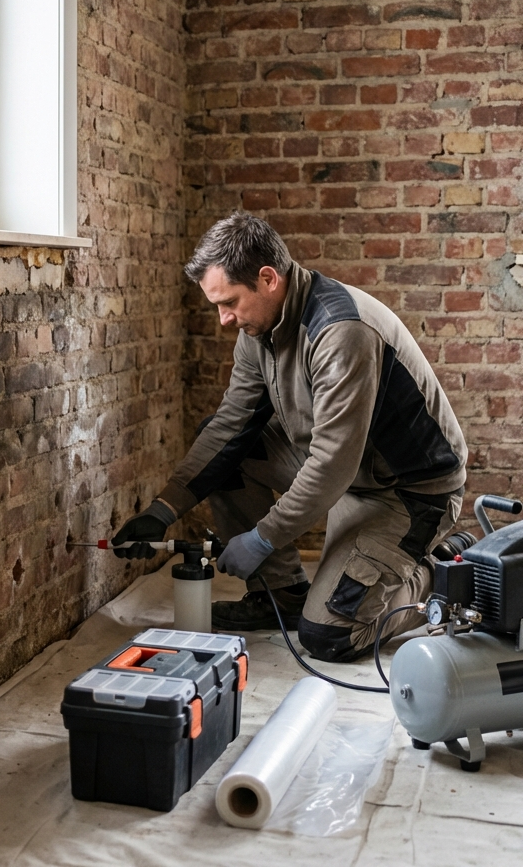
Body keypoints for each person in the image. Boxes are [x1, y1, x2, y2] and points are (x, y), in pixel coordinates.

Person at [113, 213, 469, 662]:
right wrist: (163, 510)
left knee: (329, 635)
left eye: (230, 302)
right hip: (349, 472)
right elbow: (230, 428)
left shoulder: (342, 331)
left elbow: (332, 462)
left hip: (408, 494)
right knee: (227, 453)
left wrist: (262, 538)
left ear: (267, 278)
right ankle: (280, 595)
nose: (224, 319)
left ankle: (446, 572)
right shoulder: (259, 329)